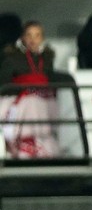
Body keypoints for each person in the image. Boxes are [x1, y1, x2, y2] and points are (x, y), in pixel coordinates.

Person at [0, 21, 73, 158]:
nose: (33, 40)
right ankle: (26, 145)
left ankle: (43, 143)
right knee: (32, 102)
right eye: (29, 35)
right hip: (19, 101)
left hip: (45, 99)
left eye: (37, 35)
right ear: (23, 38)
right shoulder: (12, 59)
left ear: (42, 38)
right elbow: (4, 84)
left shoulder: (46, 58)